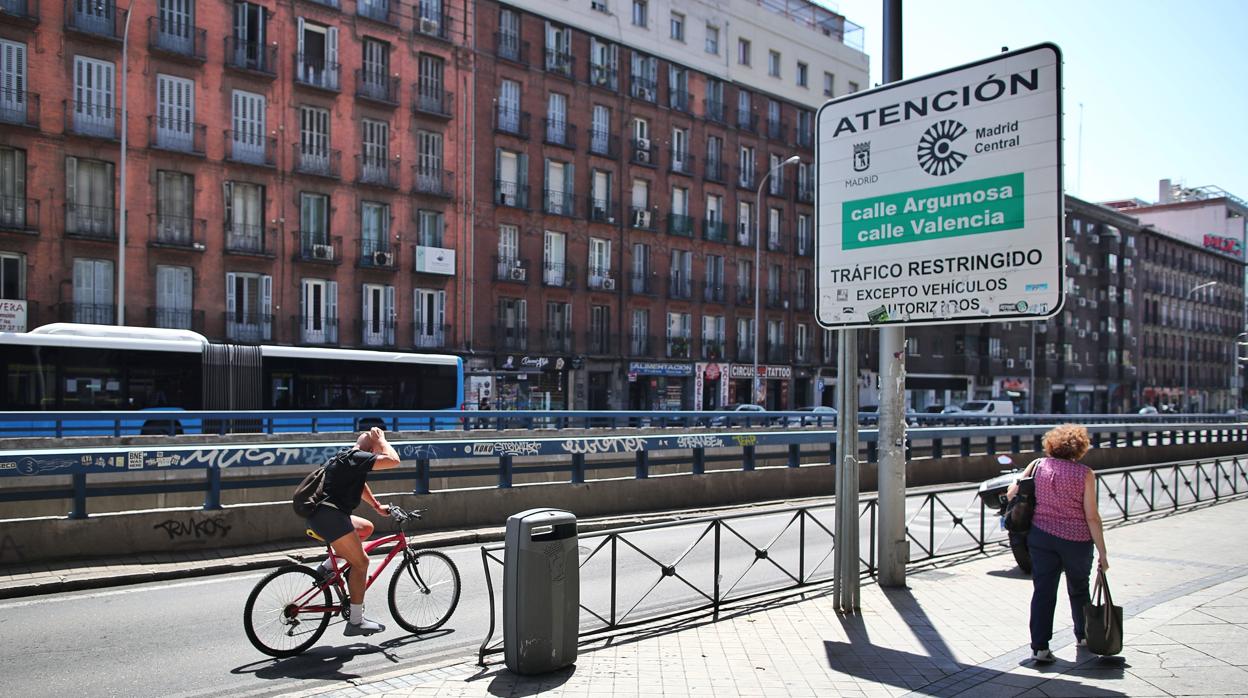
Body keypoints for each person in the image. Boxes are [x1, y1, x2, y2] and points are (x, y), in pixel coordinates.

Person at [1008, 424, 1109, 663]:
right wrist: (1103, 553)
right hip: (1076, 540)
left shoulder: (1037, 465)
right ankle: (1083, 636)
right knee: (1079, 587)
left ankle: (1040, 648)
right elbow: (1092, 516)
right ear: (1080, 448)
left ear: (1051, 444)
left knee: (1043, 590)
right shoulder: (1085, 474)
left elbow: (1013, 493)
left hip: (1041, 537)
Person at [306, 427, 401, 636]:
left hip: (323, 515)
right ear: (372, 448)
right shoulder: (358, 457)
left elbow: (361, 484)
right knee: (362, 562)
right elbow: (394, 460)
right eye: (375, 449)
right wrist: (382, 441)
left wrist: (377, 506)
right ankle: (356, 622)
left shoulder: (345, 457)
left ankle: (327, 568)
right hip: (331, 518)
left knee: (366, 528)